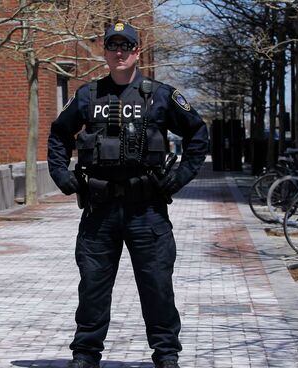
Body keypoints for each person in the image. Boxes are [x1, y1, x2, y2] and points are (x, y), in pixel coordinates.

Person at [47, 22, 208, 368]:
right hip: (99, 210)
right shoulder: (88, 95)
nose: (119, 53)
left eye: (126, 47)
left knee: (157, 286)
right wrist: (61, 175)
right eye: (112, 46)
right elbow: (59, 134)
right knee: (92, 285)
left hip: (146, 209)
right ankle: (85, 355)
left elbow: (198, 134)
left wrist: (178, 178)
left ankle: (166, 355)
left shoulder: (161, 95)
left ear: (137, 52)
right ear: (104, 52)